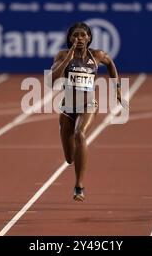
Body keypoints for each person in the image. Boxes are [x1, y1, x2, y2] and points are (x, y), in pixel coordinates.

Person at [49, 22, 126, 201]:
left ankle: (79, 186)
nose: (79, 39)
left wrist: (117, 89)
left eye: (83, 35)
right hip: (68, 108)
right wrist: (68, 58)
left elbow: (111, 65)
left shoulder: (97, 55)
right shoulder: (61, 55)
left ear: (89, 38)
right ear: (70, 38)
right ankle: (76, 161)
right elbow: (51, 80)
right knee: (69, 158)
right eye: (75, 35)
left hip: (88, 105)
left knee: (80, 134)